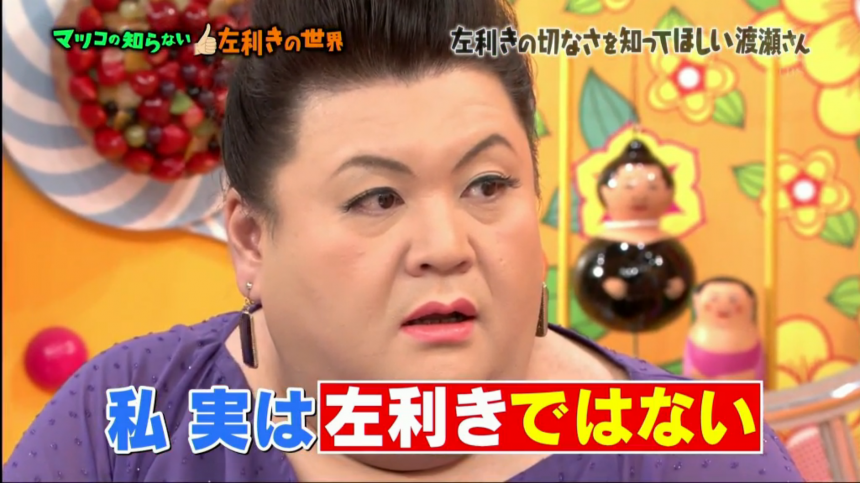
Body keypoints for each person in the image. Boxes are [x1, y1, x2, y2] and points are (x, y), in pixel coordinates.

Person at [4, 0, 803, 481]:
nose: (445, 245)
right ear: (251, 239)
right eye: (376, 197)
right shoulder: (126, 416)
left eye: (487, 185)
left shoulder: (698, 454)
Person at [684, 277, 765, 381]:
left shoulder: (751, 336)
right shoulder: (696, 336)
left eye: (733, 300)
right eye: (714, 299)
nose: (723, 306)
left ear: (751, 303)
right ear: (696, 301)